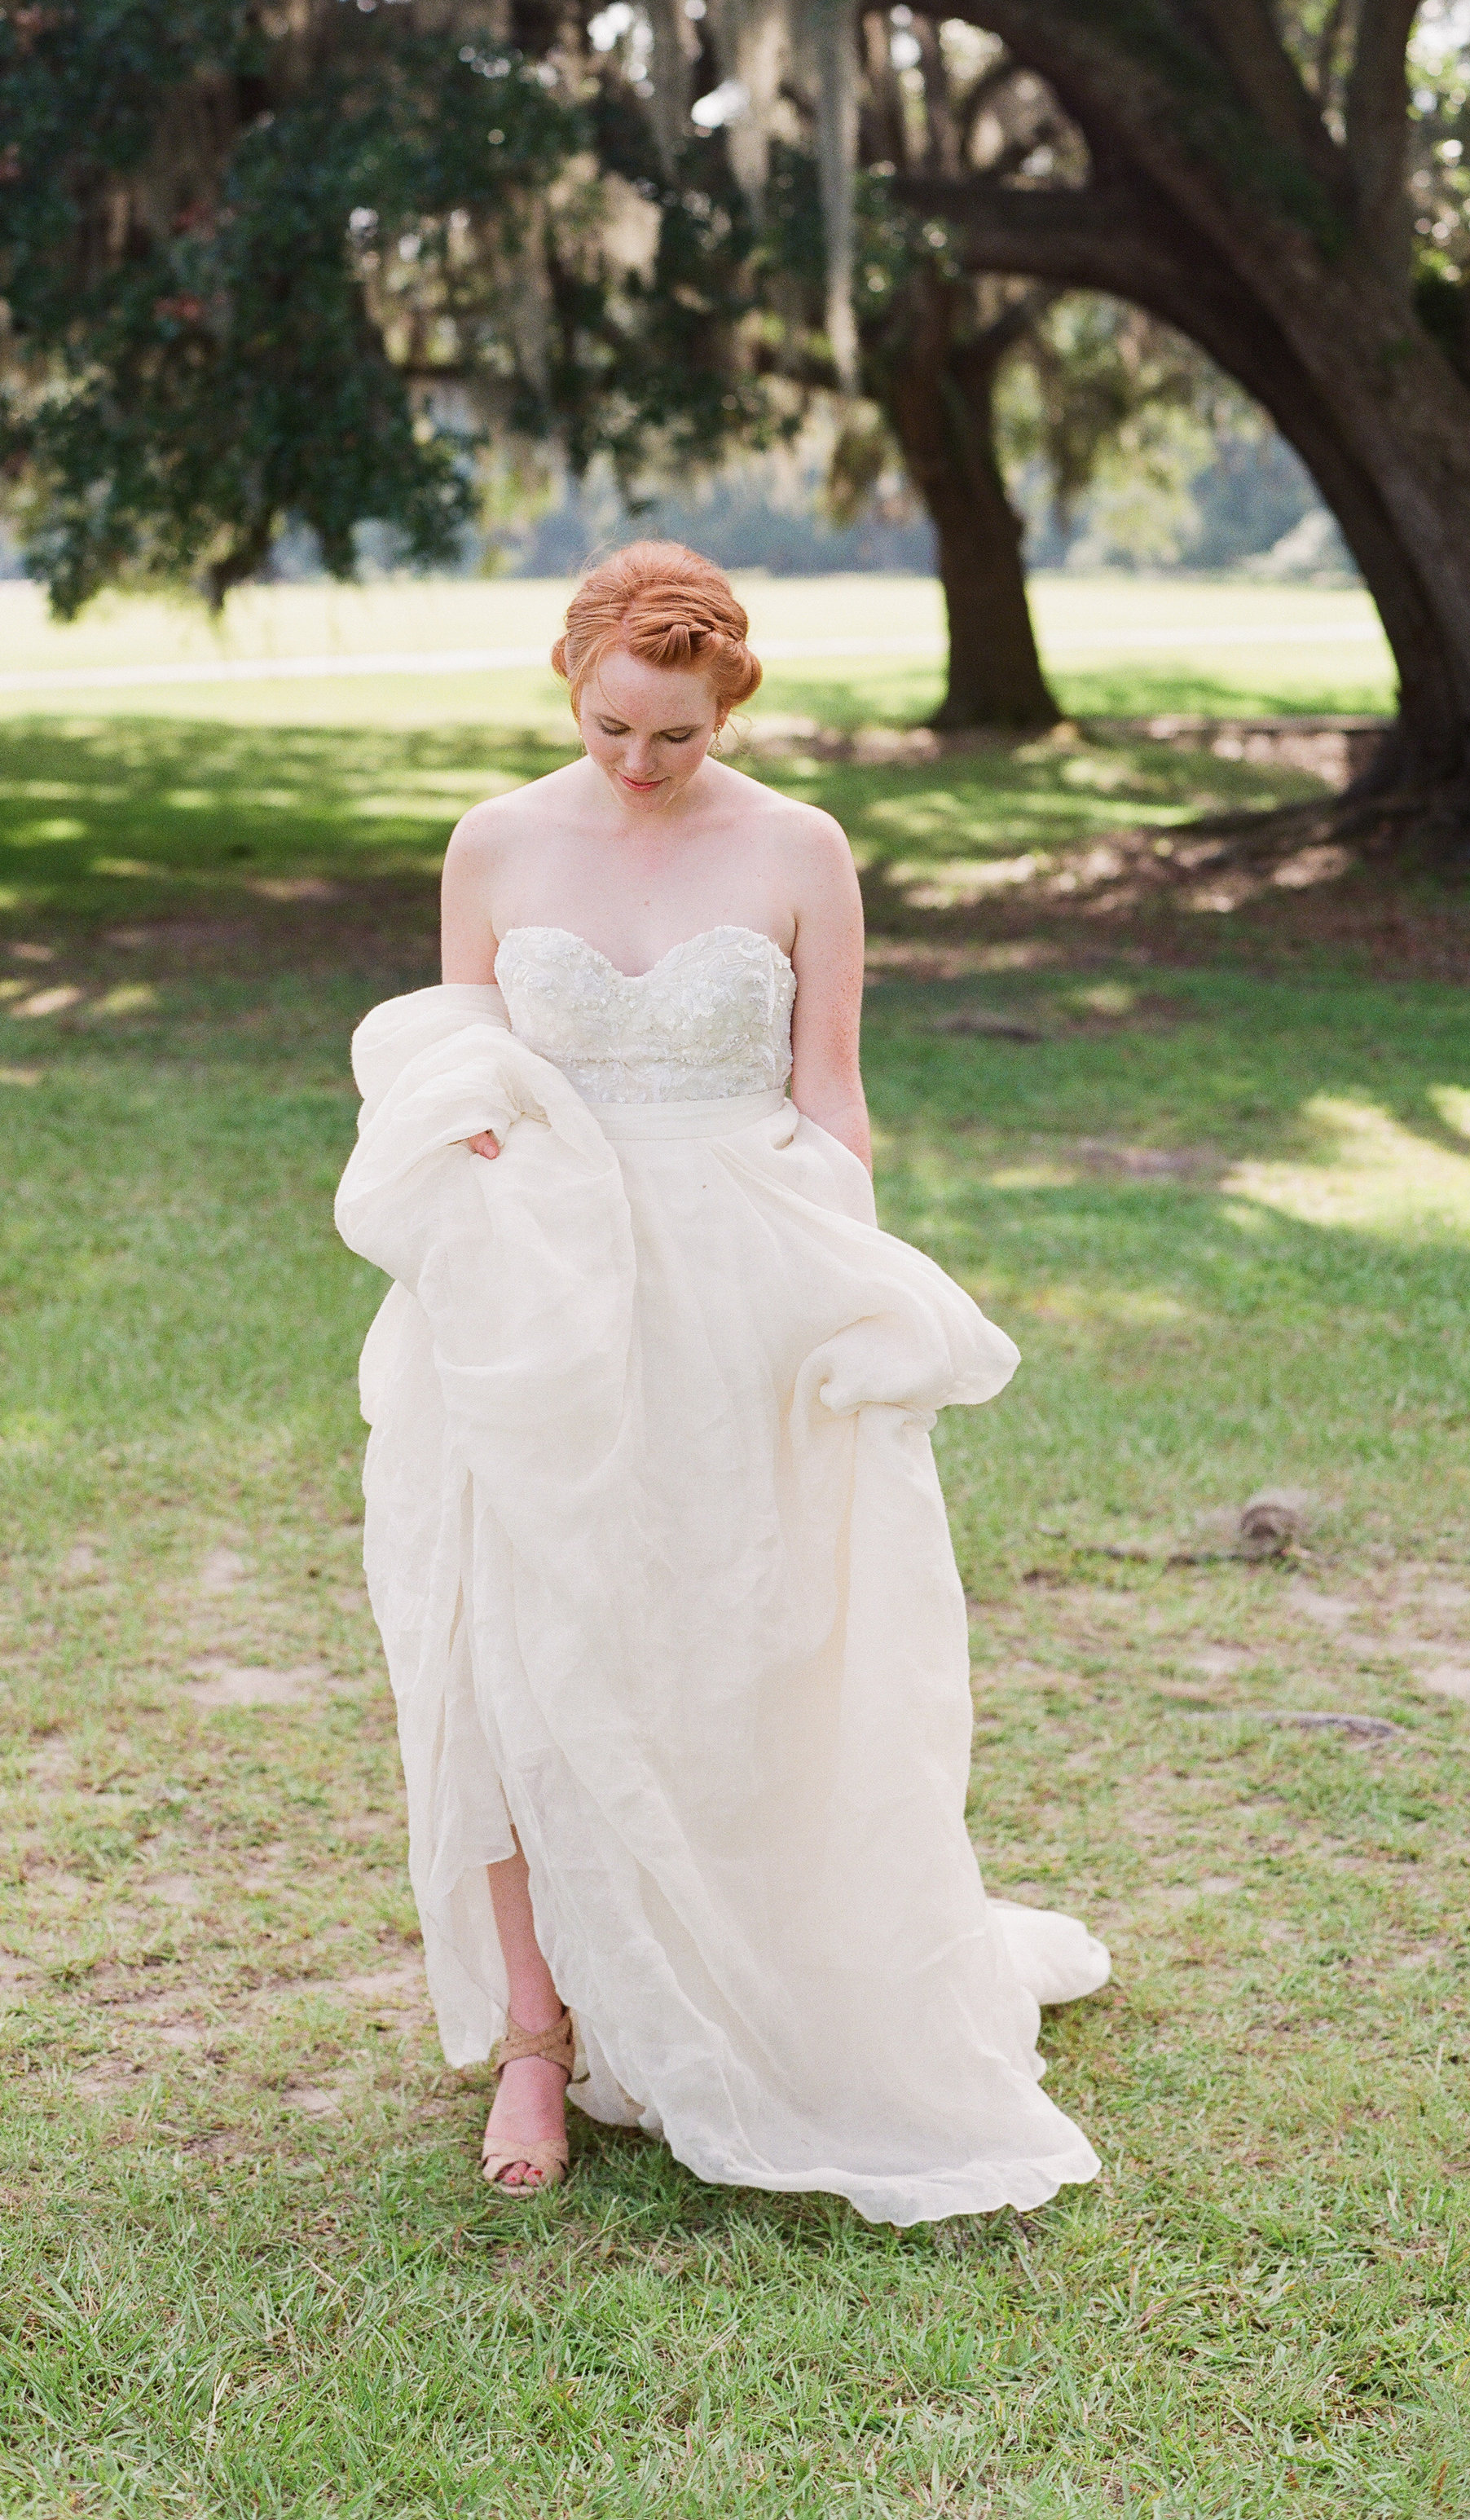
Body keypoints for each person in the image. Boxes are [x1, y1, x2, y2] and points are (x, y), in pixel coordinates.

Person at [335, 541, 1109, 2223]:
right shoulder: (495, 840)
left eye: (671, 739)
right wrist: (465, 1134)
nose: (636, 764)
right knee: (510, 1643)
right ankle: (536, 2034)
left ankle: (742, 1962)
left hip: (737, 1274)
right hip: (542, 1283)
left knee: (731, 1633)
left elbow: (827, 1092)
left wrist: (855, 1295)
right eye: (612, 726)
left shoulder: (797, 849)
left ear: (726, 707)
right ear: (573, 681)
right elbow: (454, 1062)